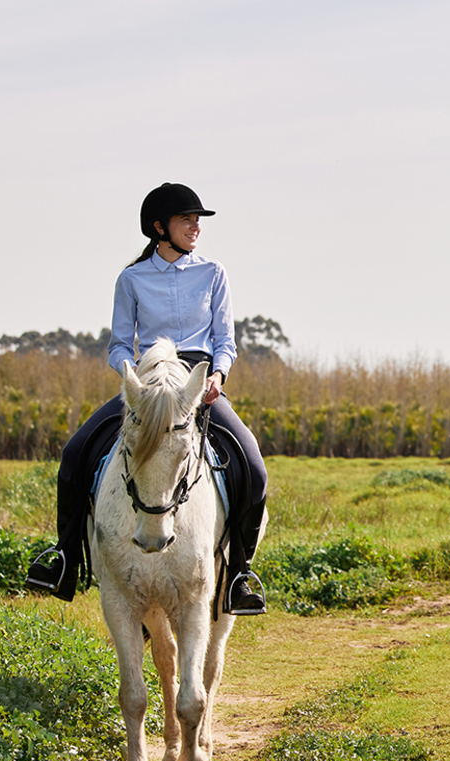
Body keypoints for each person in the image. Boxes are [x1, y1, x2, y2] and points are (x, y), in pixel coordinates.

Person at [26, 182, 269, 614]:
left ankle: (240, 575)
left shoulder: (213, 273)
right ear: (160, 227)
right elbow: (120, 343)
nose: (196, 226)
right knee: (74, 453)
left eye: (198, 220)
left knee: (253, 465)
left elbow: (225, 340)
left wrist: (217, 373)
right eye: (186, 219)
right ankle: (63, 558)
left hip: (196, 384)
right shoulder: (131, 278)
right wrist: (131, 378)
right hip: (147, 385)